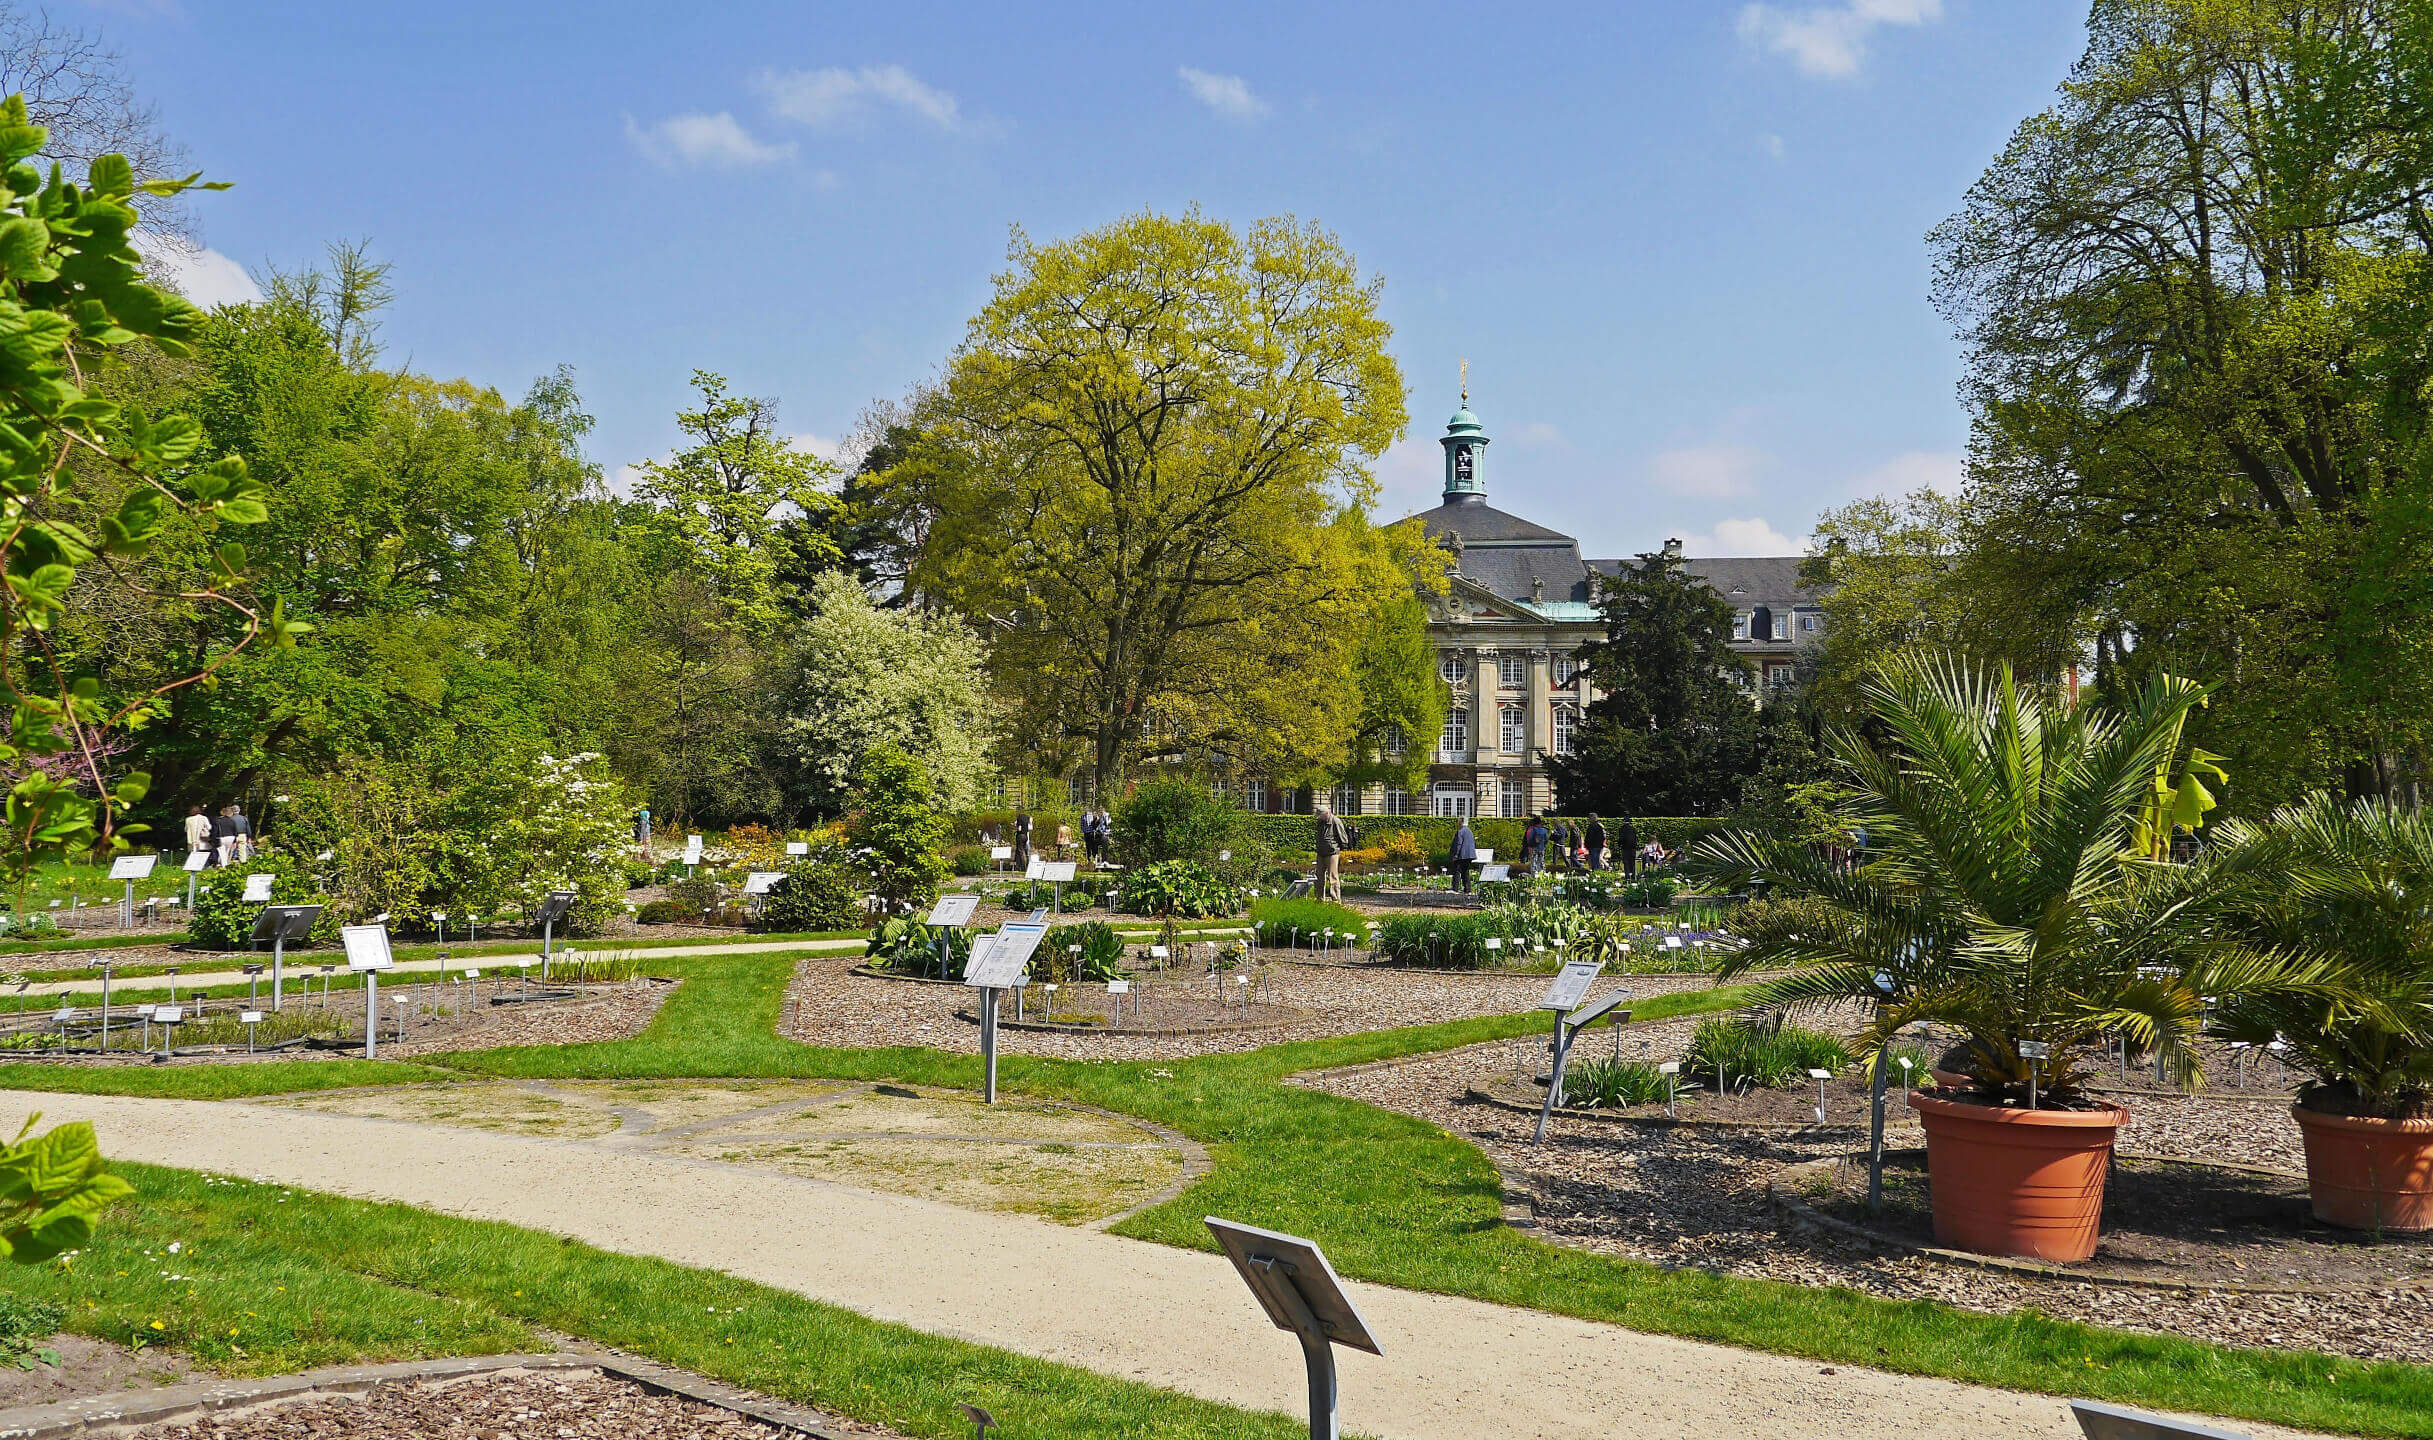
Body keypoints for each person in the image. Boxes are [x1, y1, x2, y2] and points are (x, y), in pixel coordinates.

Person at [1314, 801, 1352, 902]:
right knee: (1319, 876)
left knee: (1333, 877)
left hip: (1332, 853)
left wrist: (1339, 849)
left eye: (1320, 816)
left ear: (1326, 813)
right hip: (1321, 852)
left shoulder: (1336, 821)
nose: (1319, 818)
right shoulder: (1320, 822)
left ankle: (1335, 900)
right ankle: (1319, 899)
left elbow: (1343, 838)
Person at [1449, 816, 1477, 894]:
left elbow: (1459, 844)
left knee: (1457, 871)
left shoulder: (1460, 831)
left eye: (1458, 821)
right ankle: (1467, 889)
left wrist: (1456, 855)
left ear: (1461, 822)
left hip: (1461, 855)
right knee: (1465, 872)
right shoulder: (1470, 831)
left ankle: (1455, 888)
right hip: (1469, 855)